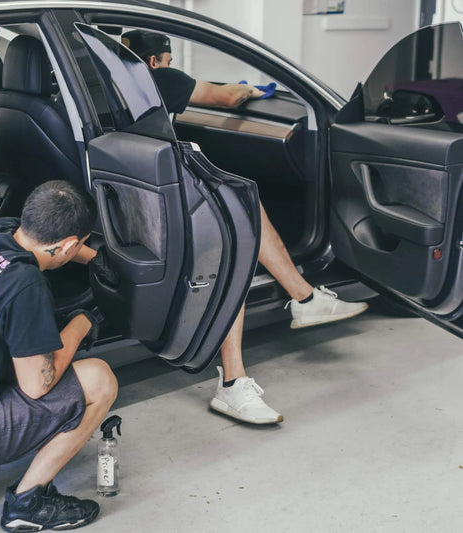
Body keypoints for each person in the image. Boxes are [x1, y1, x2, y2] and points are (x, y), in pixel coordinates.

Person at [122, 30, 369, 425]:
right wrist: (251, 91)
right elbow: (224, 97)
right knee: (230, 232)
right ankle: (235, 380)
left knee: (242, 202)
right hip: (149, 199)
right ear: (155, 61)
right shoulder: (156, 79)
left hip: (126, 188)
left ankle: (304, 300)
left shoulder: (106, 80)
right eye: (167, 61)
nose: (168, 68)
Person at [0, 180, 117, 531]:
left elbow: (52, 244)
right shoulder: (26, 288)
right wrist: (82, 322)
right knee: (99, 379)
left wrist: (97, 260)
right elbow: (37, 386)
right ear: (69, 244)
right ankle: (29, 502)